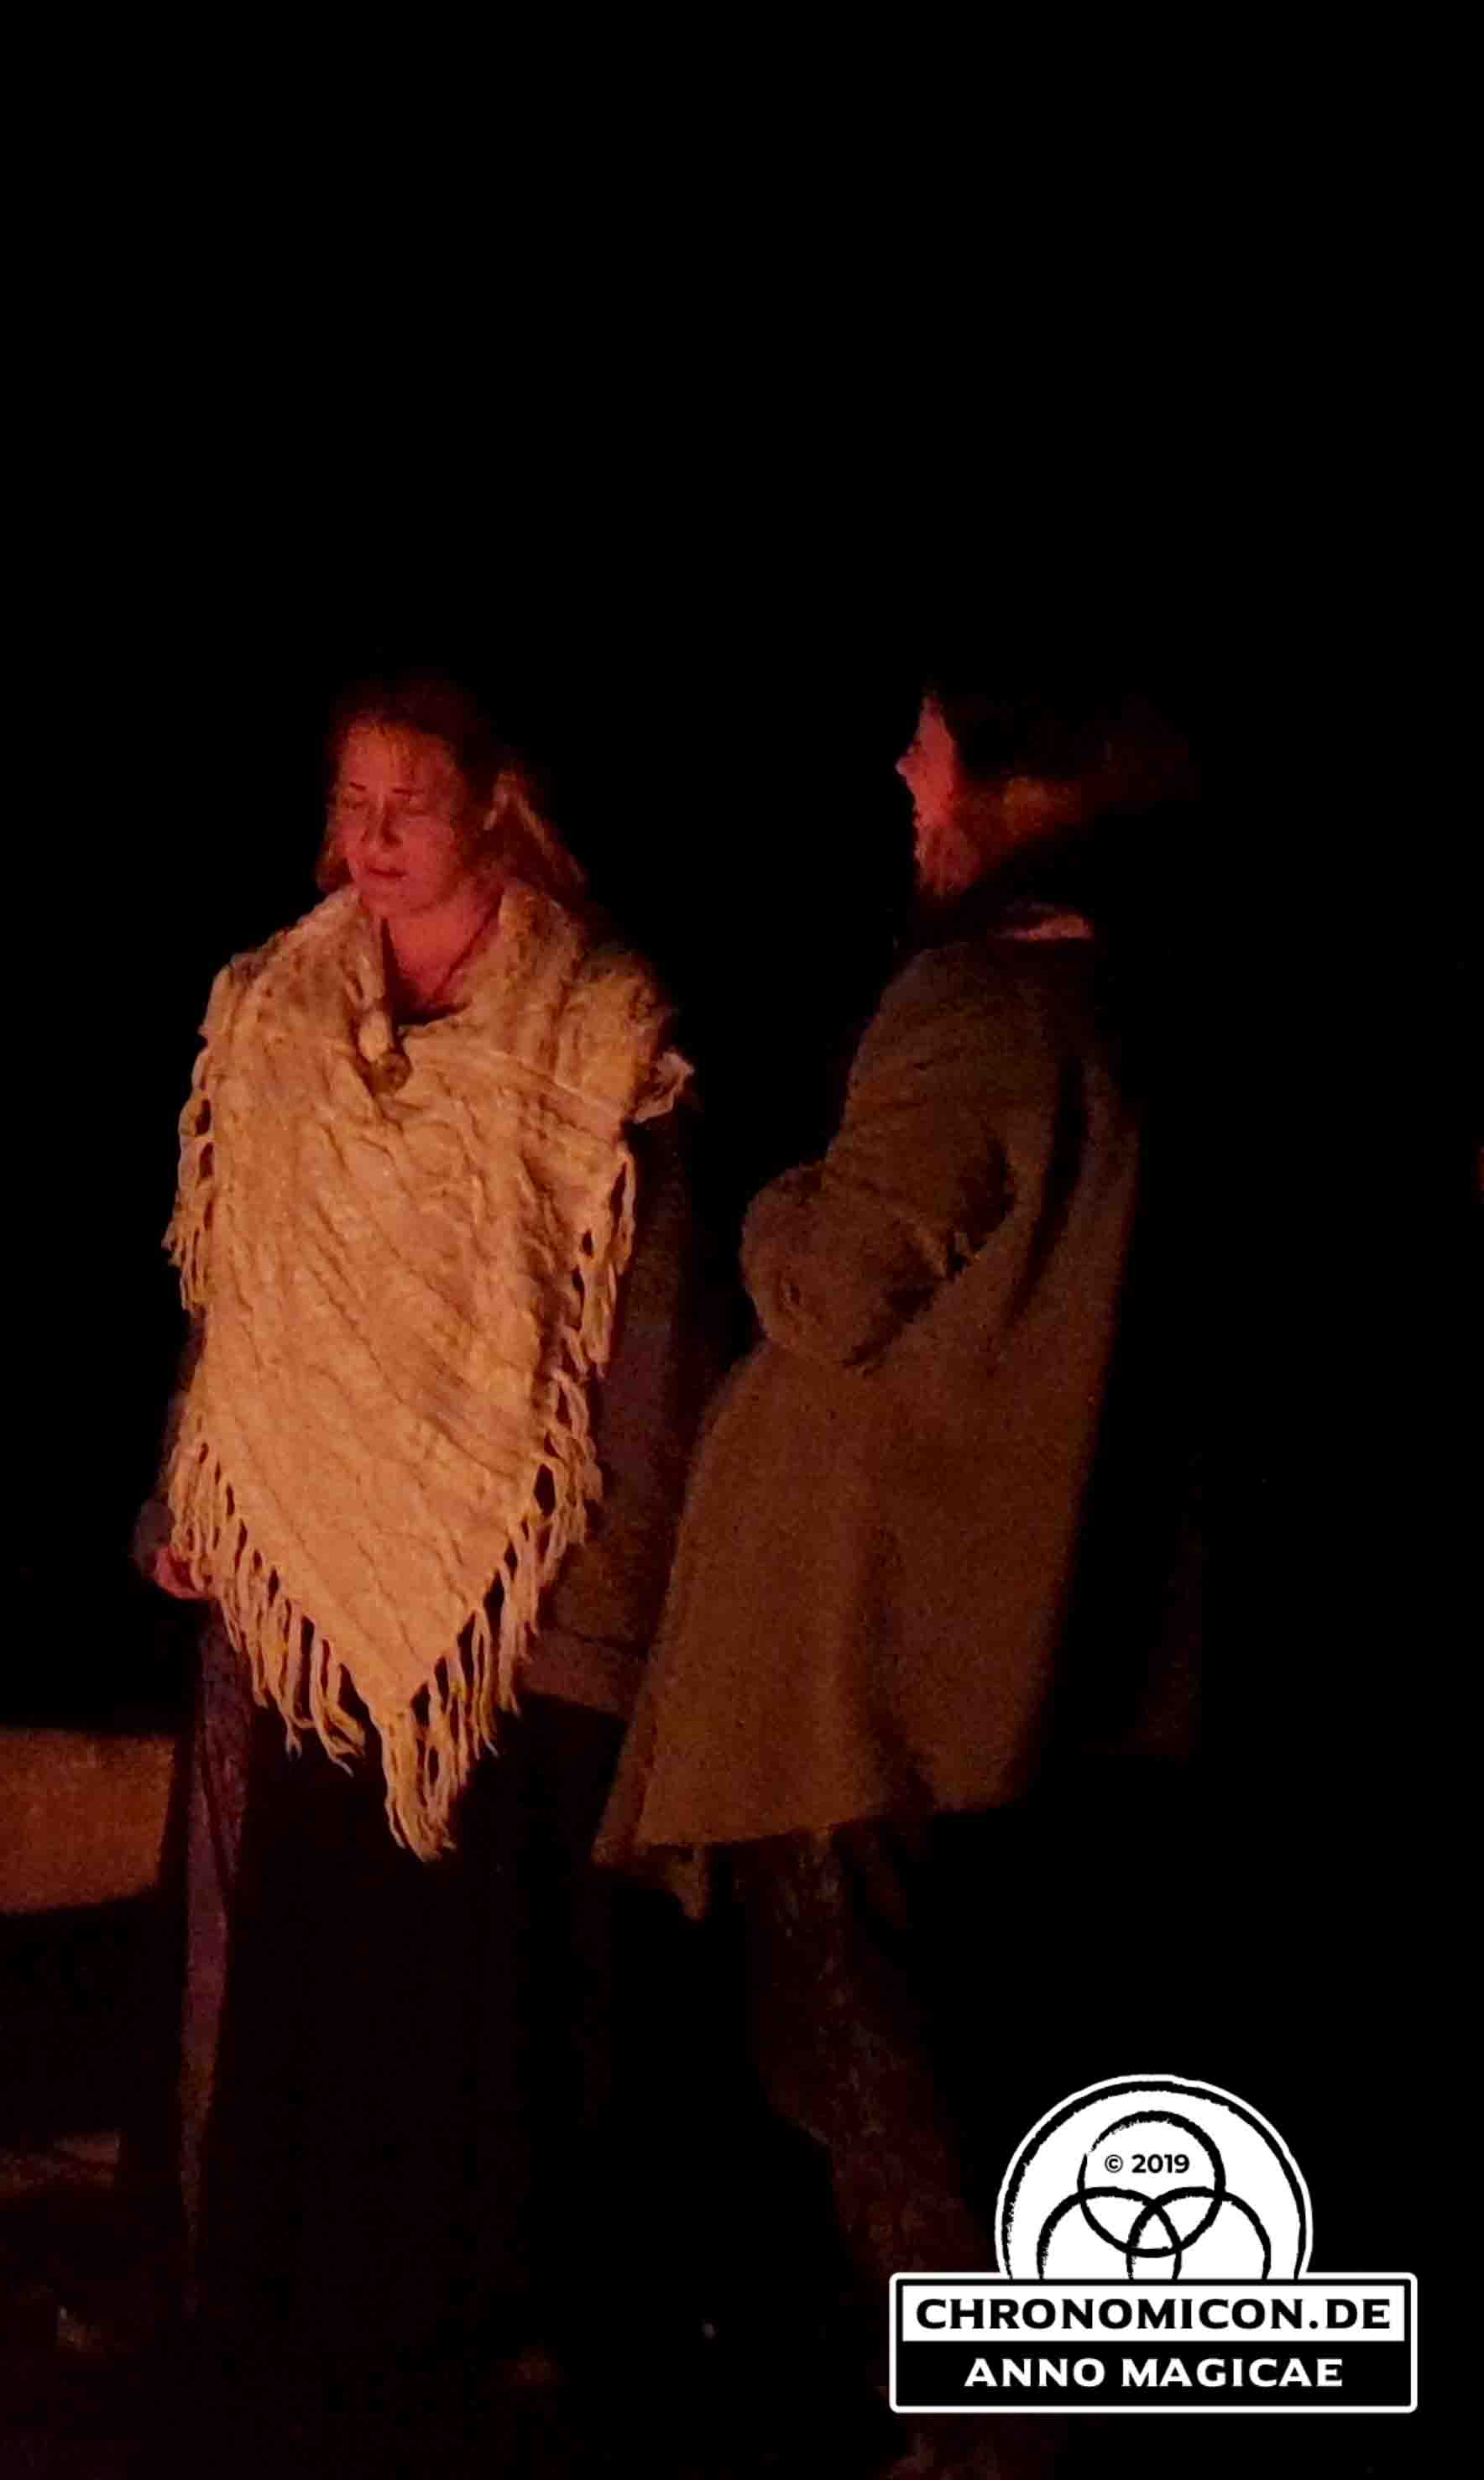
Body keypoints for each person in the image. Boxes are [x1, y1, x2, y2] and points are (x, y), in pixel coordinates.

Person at [597, 678, 1204, 2480]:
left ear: (1016, 775)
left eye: (930, 743)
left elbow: (833, 1282)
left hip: (861, 1664)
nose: (903, 774)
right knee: (906, 2061)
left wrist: (771, 1199)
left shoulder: (985, 1000)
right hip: (974, 1662)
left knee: (868, 2068)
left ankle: (985, 2434)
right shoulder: (1123, 1000)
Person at [141, 675, 716, 2462]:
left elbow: (642, 1317)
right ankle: (302, 2301)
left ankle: (498, 2312)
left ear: (490, 806)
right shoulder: (275, 1005)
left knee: (495, 1952)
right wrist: (189, 1485)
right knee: (317, 1941)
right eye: (353, 801)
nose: (376, 837)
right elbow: (242, 1276)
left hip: (516, 1569)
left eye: (411, 802)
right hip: (309, 1553)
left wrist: (614, 1573)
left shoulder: (593, 1025)